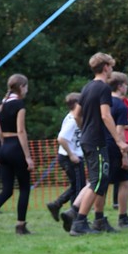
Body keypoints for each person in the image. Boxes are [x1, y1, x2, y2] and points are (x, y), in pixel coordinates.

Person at [62, 53, 128, 237]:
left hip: (87, 139)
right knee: (99, 181)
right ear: (106, 67)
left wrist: (85, 129)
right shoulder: (103, 88)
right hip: (96, 141)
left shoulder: (87, 87)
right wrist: (119, 141)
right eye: (111, 66)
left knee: (96, 180)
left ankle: (80, 215)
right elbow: (105, 115)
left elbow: (77, 114)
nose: (112, 69)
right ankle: (79, 222)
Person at [0, 74, 34, 234]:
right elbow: (21, 130)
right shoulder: (19, 104)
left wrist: (3, 148)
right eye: (26, 87)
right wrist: (27, 157)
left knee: (6, 190)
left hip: (4, 148)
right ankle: (20, 225)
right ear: (21, 87)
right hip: (16, 148)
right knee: (24, 188)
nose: (27, 90)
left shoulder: (1, 106)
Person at [46, 93, 85, 221]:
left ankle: (59, 206)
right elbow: (61, 138)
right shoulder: (72, 120)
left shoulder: (75, 118)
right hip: (70, 158)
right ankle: (72, 214)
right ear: (77, 104)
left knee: (77, 186)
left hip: (71, 156)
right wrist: (71, 154)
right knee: (79, 187)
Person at [107, 72, 128, 229]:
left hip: (101, 145)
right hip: (116, 147)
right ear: (120, 86)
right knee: (124, 181)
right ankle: (123, 218)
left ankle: (97, 216)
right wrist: (124, 154)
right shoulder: (121, 106)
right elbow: (120, 132)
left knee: (100, 183)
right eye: (126, 85)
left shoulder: (104, 104)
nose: (127, 87)